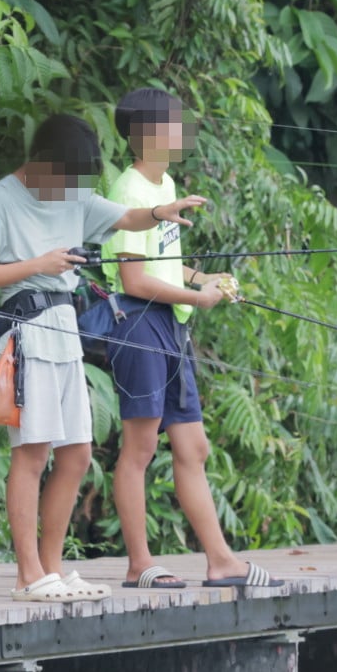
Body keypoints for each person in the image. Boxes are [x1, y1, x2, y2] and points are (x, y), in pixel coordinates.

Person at [0, 113, 206, 603]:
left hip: (66, 332)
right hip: (27, 331)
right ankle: (27, 574)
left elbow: (122, 218)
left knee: (75, 454)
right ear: (42, 161)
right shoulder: (2, 200)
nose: (71, 186)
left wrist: (160, 213)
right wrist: (39, 264)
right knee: (31, 453)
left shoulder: (73, 193)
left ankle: (52, 567)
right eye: (65, 175)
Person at [103, 88, 283, 590]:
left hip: (171, 325)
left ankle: (221, 561)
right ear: (149, 133)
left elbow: (160, 259)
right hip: (139, 324)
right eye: (176, 124)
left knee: (193, 445)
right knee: (139, 448)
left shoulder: (167, 184)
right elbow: (133, 280)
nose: (182, 132)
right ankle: (139, 564)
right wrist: (196, 298)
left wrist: (202, 280)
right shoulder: (130, 192)